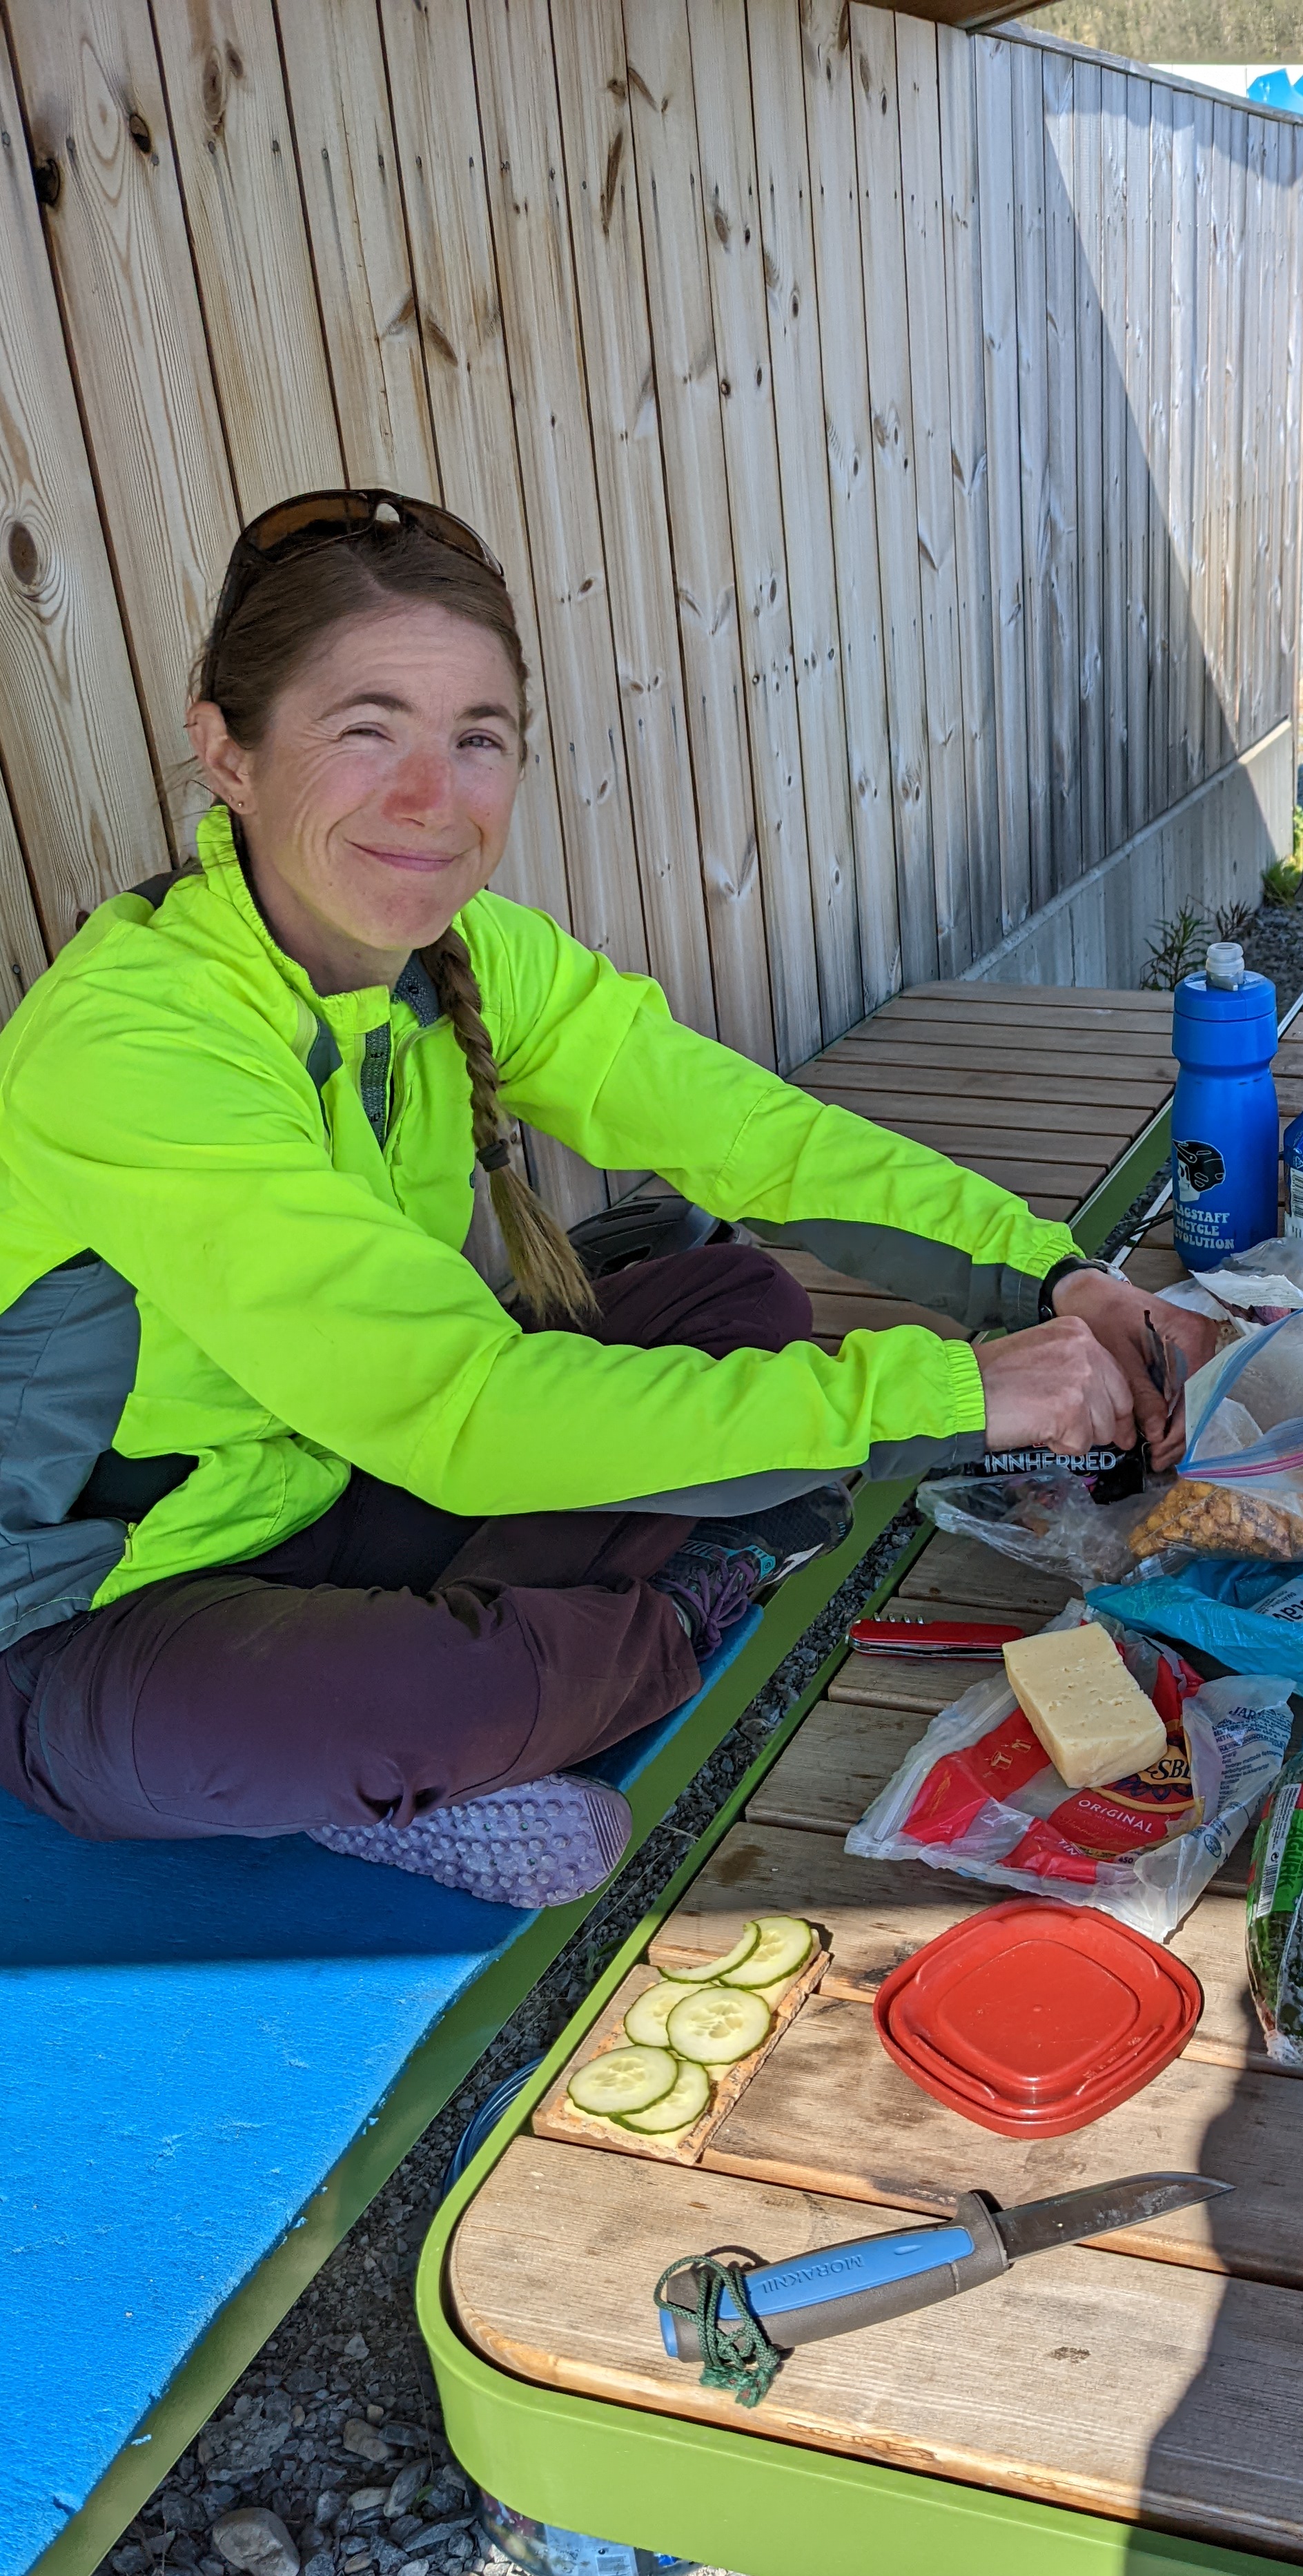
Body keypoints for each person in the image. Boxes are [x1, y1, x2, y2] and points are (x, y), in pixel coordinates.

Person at [0, 491, 1214, 1905]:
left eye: (478, 740)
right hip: (97, 1621)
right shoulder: (137, 1041)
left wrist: (1051, 1280)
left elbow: (760, 1140)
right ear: (228, 749)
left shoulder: (467, 958)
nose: (430, 799)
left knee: (738, 1298)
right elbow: (461, 1411)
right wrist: (952, 1397)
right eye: (365, 730)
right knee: (422, 1694)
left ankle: (557, 1660)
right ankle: (617, 1644)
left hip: (344, 1486)